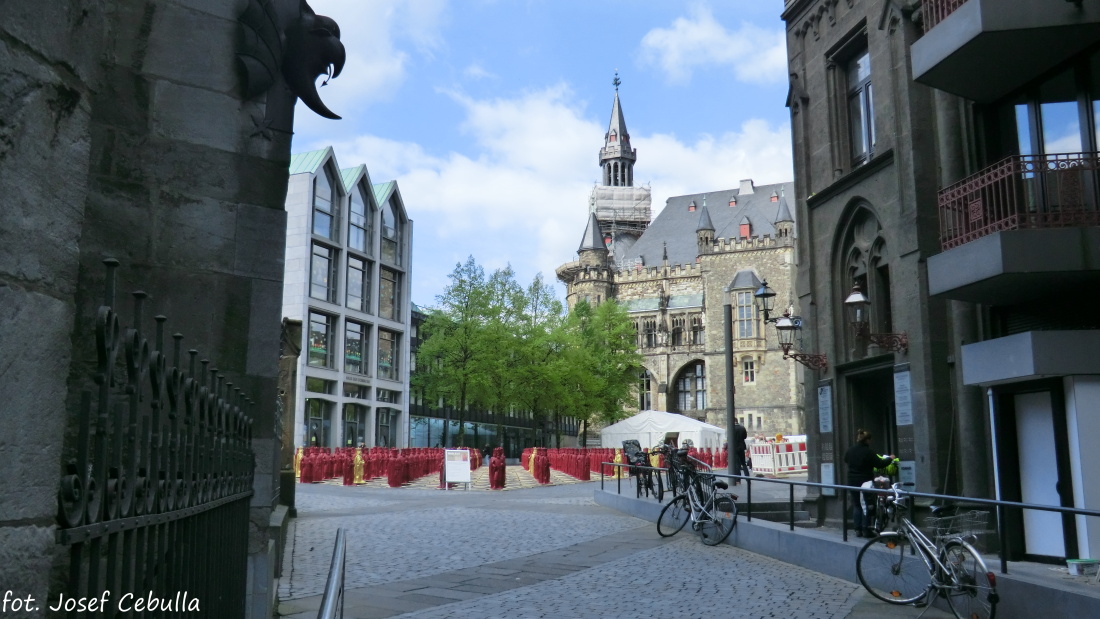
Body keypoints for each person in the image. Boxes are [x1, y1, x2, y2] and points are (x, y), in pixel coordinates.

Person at [845, 429, 894, 538]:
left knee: (857, 504)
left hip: (852, 481)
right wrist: (890, 459)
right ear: (867, 440)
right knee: (867, 505)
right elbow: (880, 464)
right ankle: (866, 529)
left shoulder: (850, 450)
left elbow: (846, 460)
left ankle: (858, 529)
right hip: (865, 481)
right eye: (870, 440)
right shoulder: (868, 452)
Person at [731, 418, 749, 485]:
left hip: (734, 447)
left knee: (737, 464)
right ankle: (748, 478)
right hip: (741, 447)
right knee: (743, 463)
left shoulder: (732, 428)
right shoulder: (742, 428)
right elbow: (745, 437)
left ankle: (738, 480)